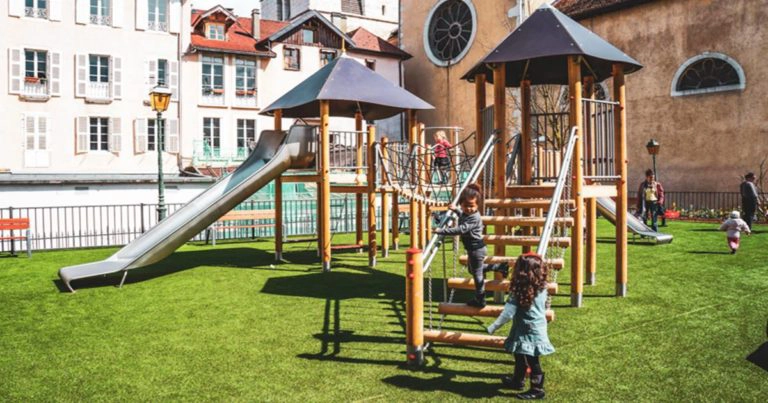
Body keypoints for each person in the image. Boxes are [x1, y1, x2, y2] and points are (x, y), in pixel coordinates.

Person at [487, 253, 554, 400]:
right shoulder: (542, 286)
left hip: (528, 329)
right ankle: (518, 380)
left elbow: (507, 314)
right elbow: (545, 303)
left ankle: (537, 389)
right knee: (519, 353)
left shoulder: (519, 291)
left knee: (532, 359)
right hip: (534, 326)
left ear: (521, 271)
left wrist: (493, 327)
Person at [434, 183, 508, 308]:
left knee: (477, 275)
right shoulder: (466, 214)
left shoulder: (474, 218)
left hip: (476, 249)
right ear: (461, 205)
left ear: (477, 206)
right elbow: (462, 215)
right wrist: (456, 210)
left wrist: (441, 231)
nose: (468, 209)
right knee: (472, 269)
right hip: (473, 249)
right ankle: (499, 266)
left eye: (472, 206)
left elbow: (461, 229)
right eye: (465, 206)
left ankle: (480, 299)